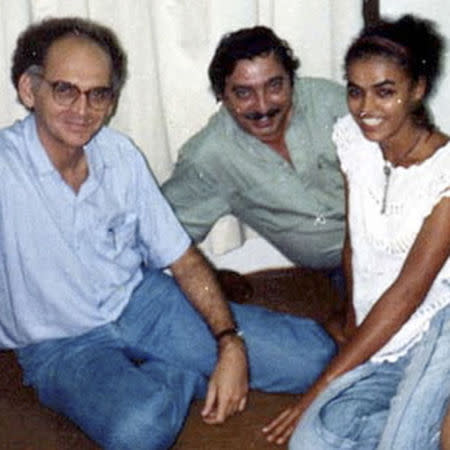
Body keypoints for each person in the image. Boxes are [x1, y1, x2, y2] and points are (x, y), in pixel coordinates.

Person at [0, 17, 337, 450]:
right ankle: (177, 372)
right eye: (65, 90)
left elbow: (181, 258)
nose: (82, 110)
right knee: (139, 431)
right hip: (62, 344)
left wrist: (229, 343)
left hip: (144, 302)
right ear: (30, 90)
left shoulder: (119, 155)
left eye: (98, 94)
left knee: (315, 358)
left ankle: (175, 364)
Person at [262, 14, 450, 449]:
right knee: (311, 442)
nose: (366, 108)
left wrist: (317, 389)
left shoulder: (444, 174)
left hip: (438, 327)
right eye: (355, 91)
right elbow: (355, 247)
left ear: (417, 89)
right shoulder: (355, 142)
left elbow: (408, 292)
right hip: (384, 336)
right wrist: (351, 318)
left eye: (385, 92)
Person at [162, 26, 348, 275]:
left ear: (292, 80)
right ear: (222, 95)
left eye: (274, 86)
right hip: (343, 271)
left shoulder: (328, 101)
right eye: (244, 93)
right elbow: (160, 235)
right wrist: (208, 277)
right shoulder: (210, 157)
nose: (262, 106)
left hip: (397, 239)